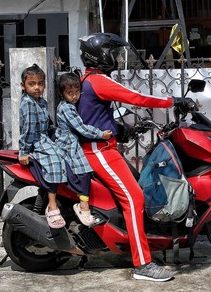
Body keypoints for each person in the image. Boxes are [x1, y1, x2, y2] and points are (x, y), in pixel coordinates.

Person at [76, 33, 193, 282]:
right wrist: (173, 101)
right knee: (134, 198)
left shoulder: (88, 80)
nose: (117, 59)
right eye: (113, 53)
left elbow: (95, 116)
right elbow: (136, 98)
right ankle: (143, 264)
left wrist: (124, 129)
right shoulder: (98, 81)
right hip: (100, 151)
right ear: (100, 55)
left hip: (106, 147)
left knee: (133, 190)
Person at [18, 65, 112, 229]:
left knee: (73, 165)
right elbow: (28, 130)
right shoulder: (29, 104)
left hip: (46, 137)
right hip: (37, 141)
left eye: (40, 83)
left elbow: (47, 124)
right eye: (32, 84)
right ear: (23, 86)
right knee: (56, 164)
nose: (37, 87)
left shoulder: (42, 102)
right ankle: (52, 206)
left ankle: (78, 204)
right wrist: (24, 152)